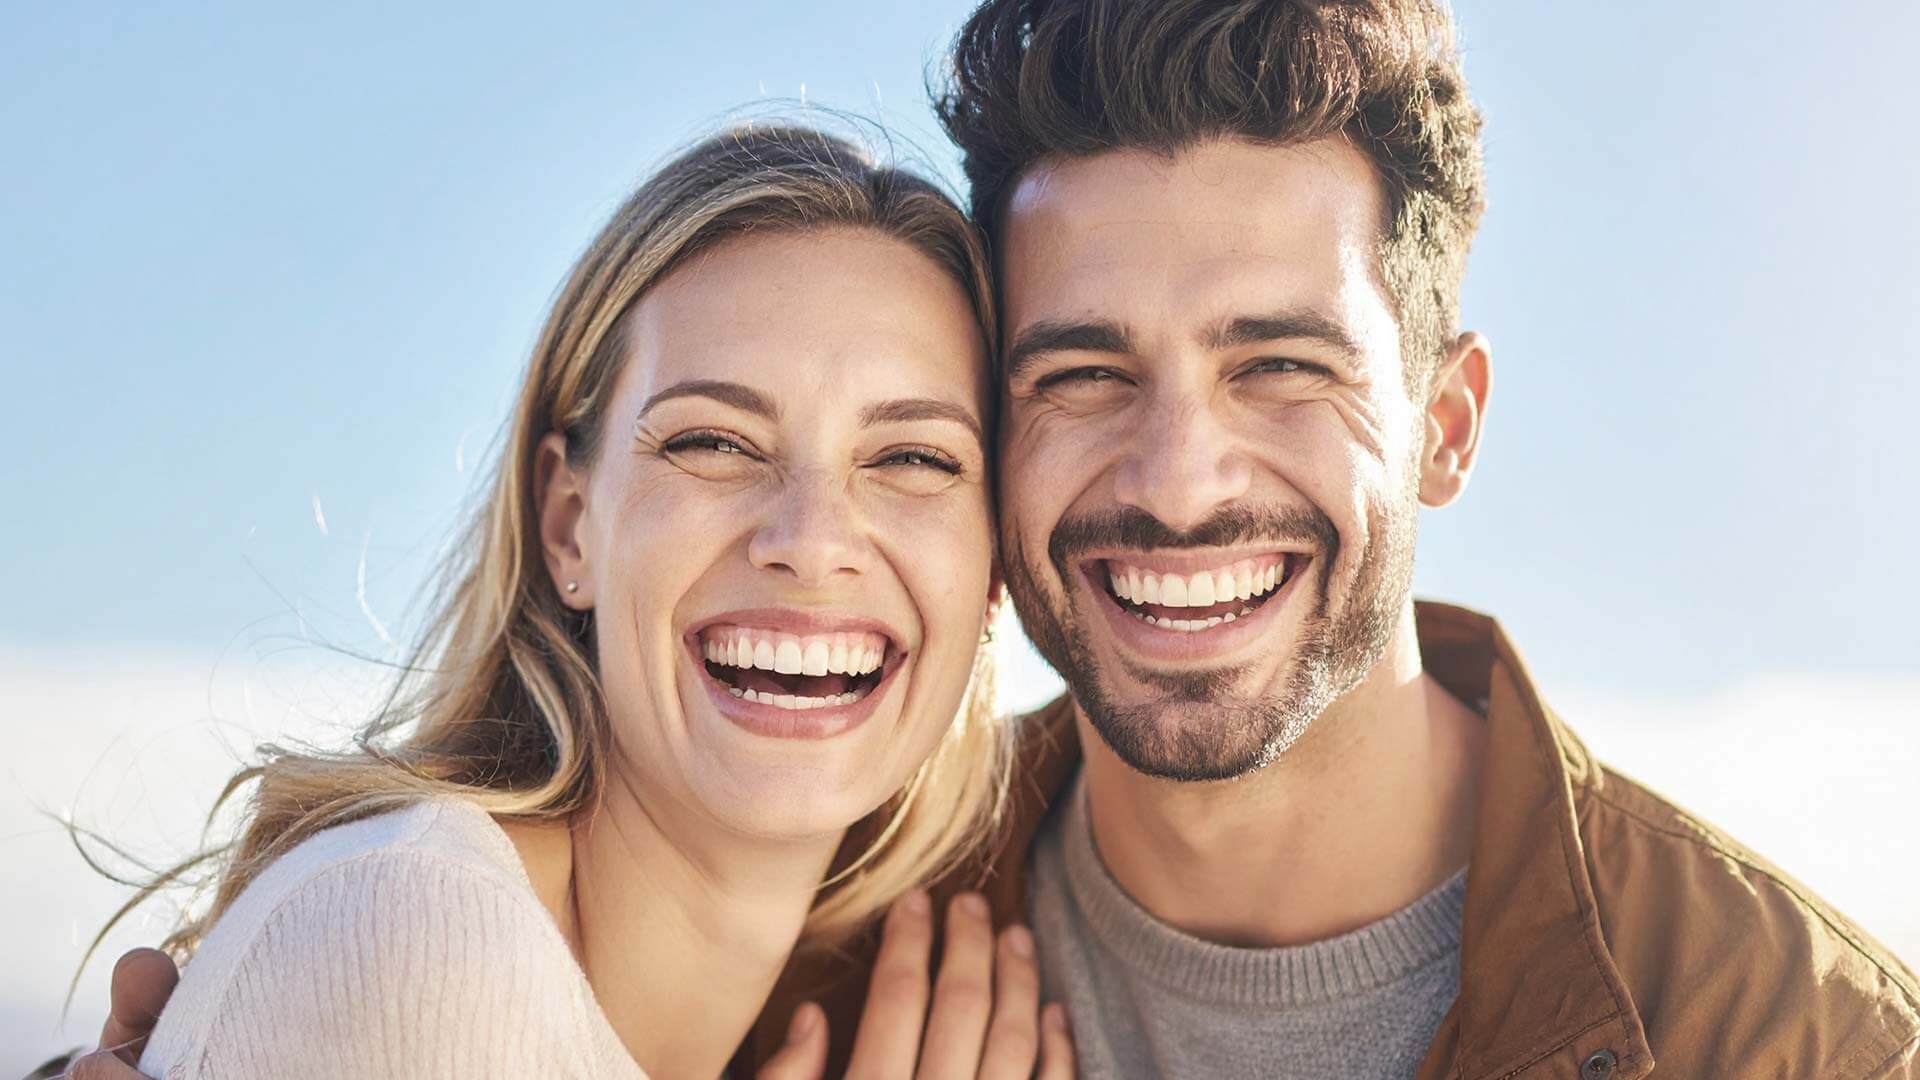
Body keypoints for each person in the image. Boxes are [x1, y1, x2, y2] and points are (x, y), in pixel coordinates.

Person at [78, 1, 1920, 1078]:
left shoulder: (1781, 1039)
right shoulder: (797, 944)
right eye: (1081, 372)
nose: (1180, 478)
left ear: (1445, 423)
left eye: (1280, 364)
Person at [60, 125, 1074, 1079]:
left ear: (993, 569)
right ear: (567, 524)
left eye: (912, 457)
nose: (810, 542)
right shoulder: (421, 938)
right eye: (710, 442)